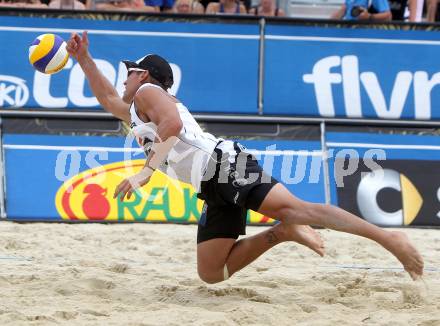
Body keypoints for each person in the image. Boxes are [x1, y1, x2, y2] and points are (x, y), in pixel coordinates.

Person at [66, 31, 424, 284]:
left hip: (225, 165)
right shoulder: (133, 109)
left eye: (129, 72)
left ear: (143, 75)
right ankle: (282, 234)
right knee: (212, 273)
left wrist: (146, 171)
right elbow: (109, 98)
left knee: (300, 208)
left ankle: (389, 240)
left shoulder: (147, 91)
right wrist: (83, 59)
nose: (124, 80)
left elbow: (172, 123)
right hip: (210, 185)